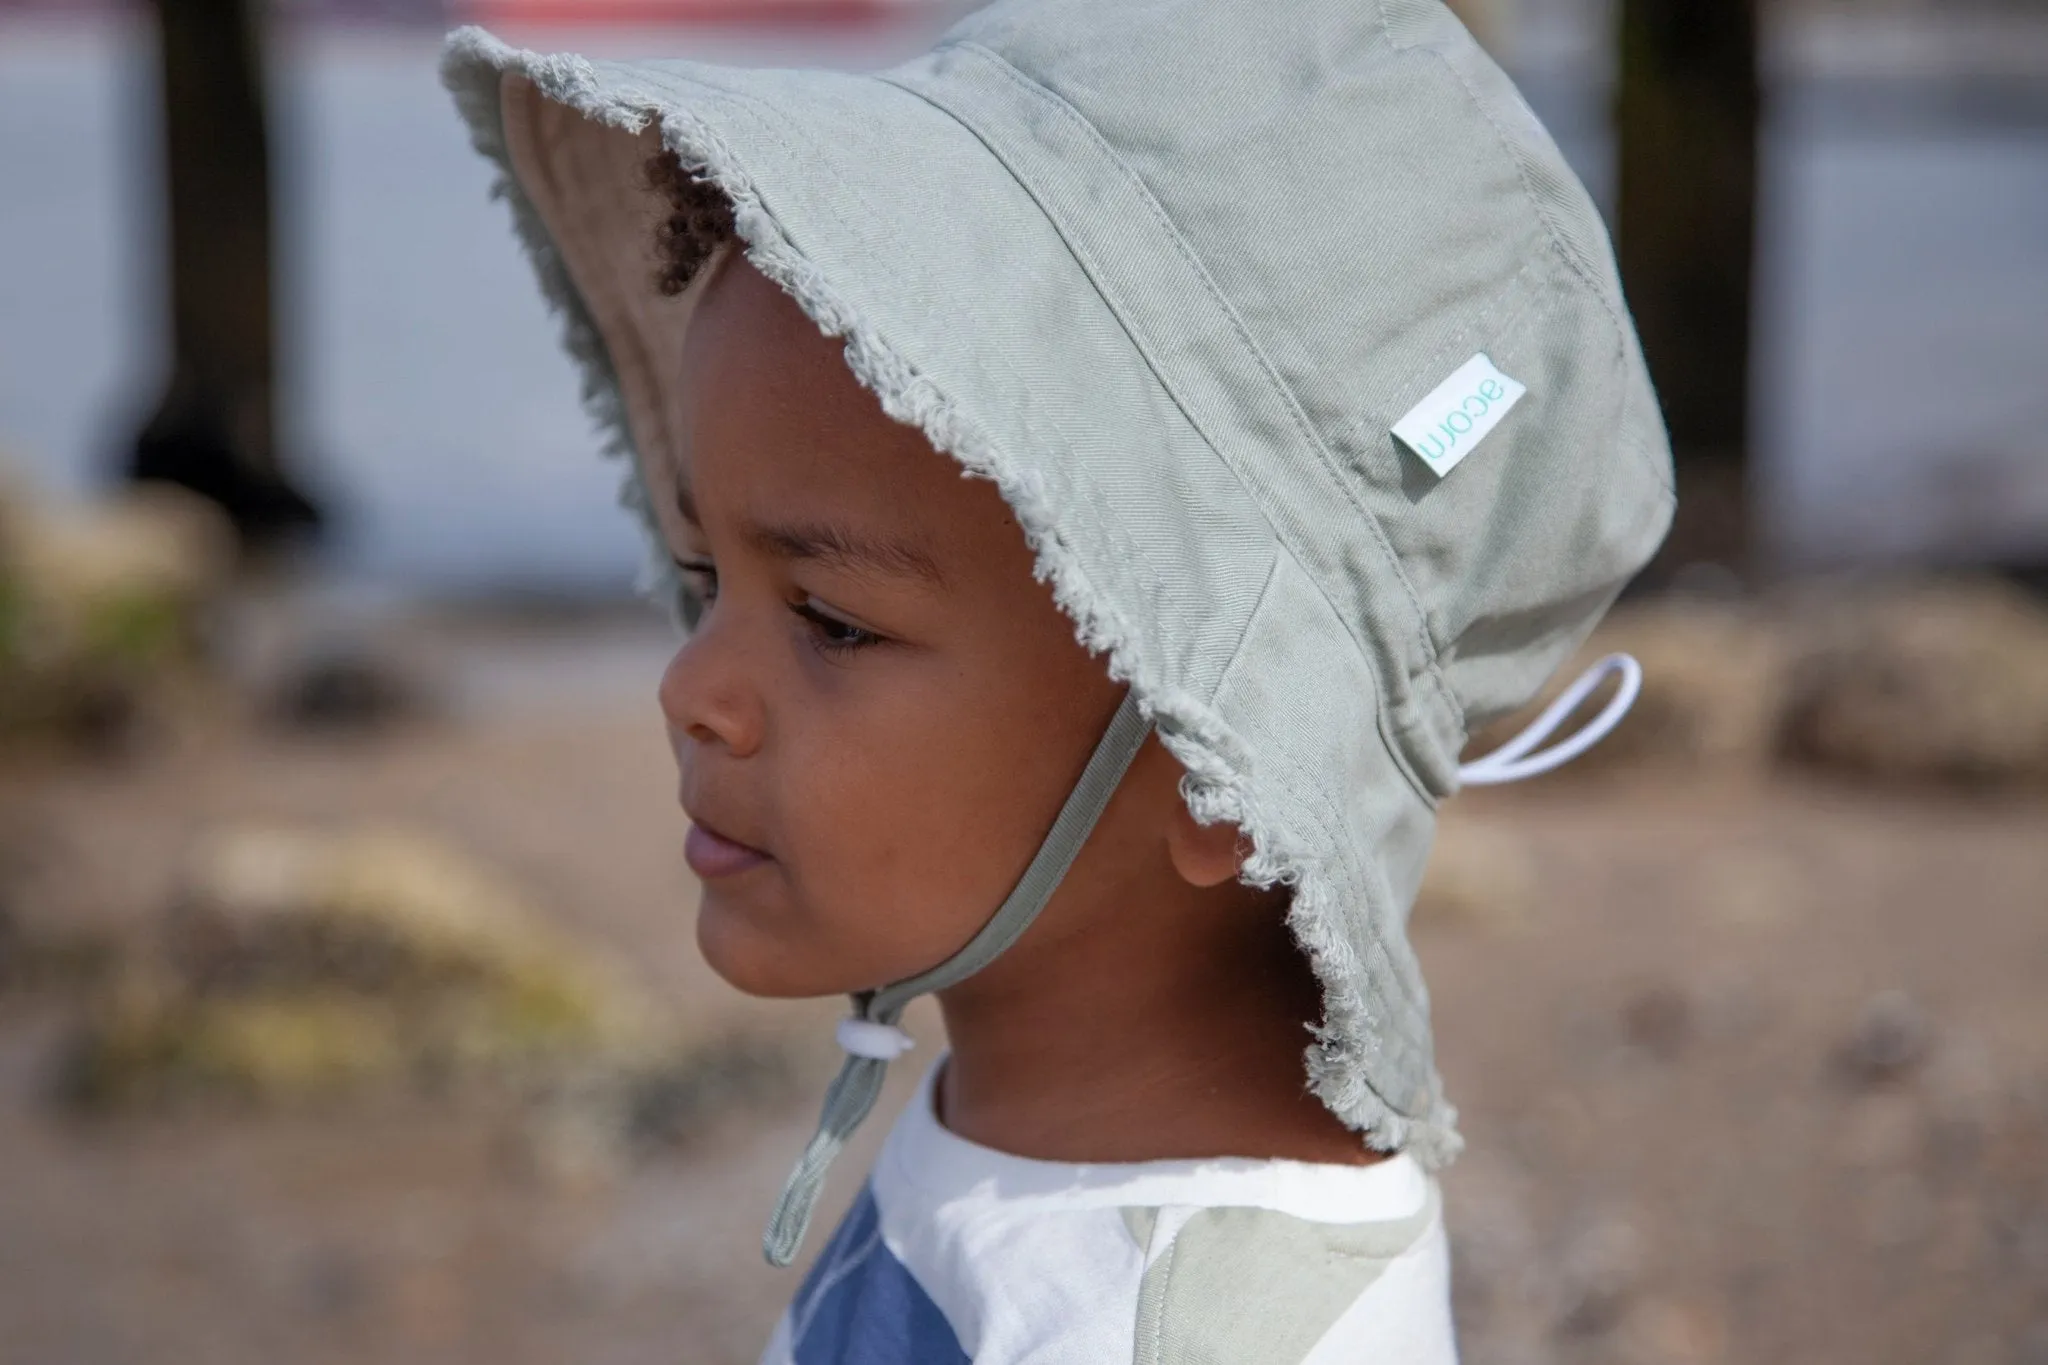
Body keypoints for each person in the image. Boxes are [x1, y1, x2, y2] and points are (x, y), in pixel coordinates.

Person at [441, 0, 1675, 1358]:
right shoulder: (1043, 1151)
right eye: (700, 573)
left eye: (833, 622)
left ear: (1225, 764)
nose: (692, 689)